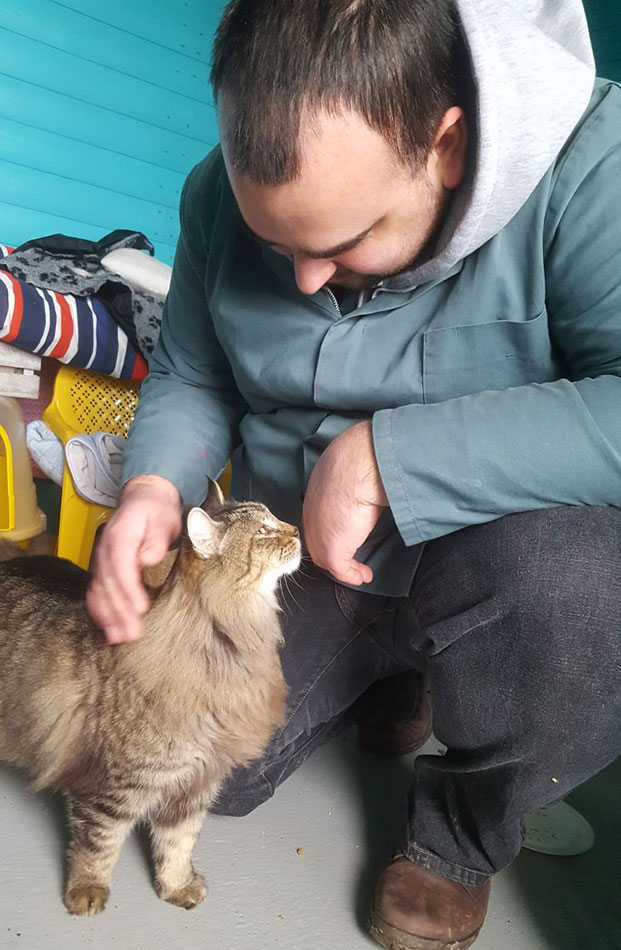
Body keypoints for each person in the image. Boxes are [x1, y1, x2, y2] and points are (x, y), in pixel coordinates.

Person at [87, 1, 621, 947]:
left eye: (341, 242)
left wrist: (388, 454)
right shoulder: (215, 194)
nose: (302, 282)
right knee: (212, 772)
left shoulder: (593, 168)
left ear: (449, 147)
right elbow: (195, 372)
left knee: (580, 595)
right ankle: (394, 676)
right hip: (301, 554)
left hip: (504, 553)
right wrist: (154, 486)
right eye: (278, 246)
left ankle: (457, 836)